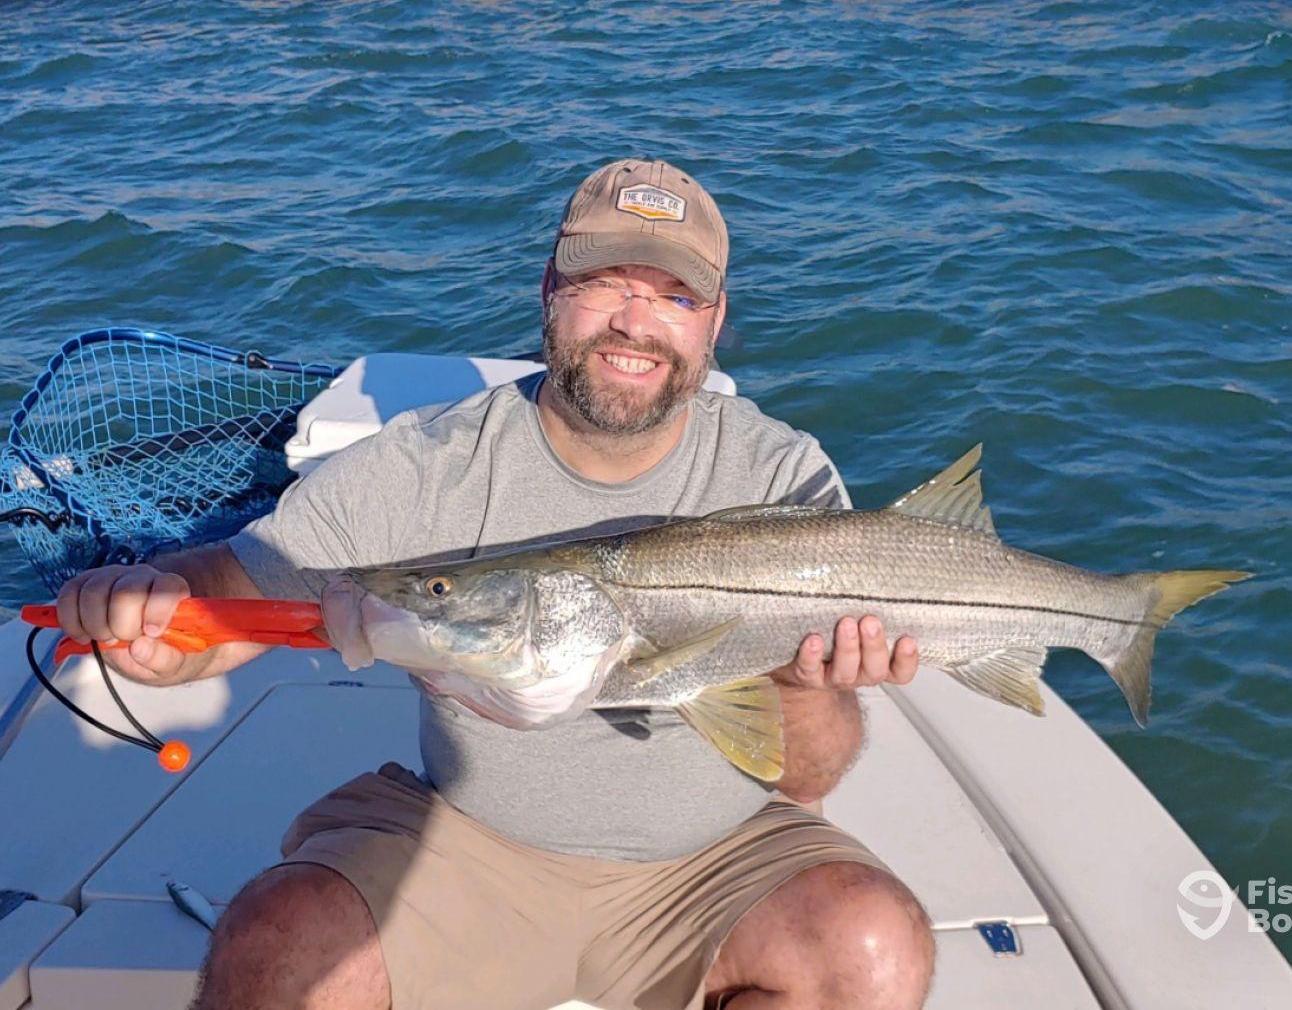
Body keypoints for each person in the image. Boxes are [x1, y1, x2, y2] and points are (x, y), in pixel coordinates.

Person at [56, 159, 936, 1009]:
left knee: (873, 945)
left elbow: (808, 771)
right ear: (550, 290)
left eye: (675, 296)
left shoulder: (784, 476)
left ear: (713, 321)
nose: (636, 322)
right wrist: (150, 607)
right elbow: (237, 586)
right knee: (277, 942)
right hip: (467, 842)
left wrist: (808, 680)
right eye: (604, 284)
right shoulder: (424, 464)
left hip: (715, 862)